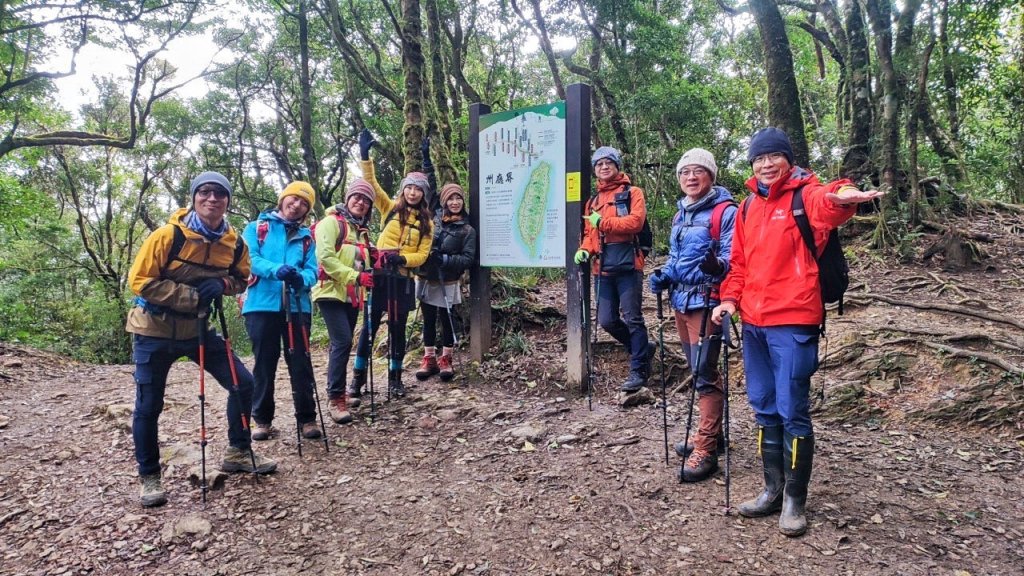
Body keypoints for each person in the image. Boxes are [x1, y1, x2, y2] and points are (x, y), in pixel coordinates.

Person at [712, 127, 883, 536]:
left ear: (789, 159)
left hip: (793, 322)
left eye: (774, 156)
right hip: (753, 322)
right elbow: (738, 264)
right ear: (752, 164)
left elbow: (830, 202)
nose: (767, 164)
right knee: (764, 406)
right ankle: (771, 489)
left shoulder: (805, 195)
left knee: (792, 409)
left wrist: (845, 196)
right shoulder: (749, 207)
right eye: (759, 158)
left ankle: (794, 499)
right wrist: (729, 300)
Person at [126, 171, 277, 508]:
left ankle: (238, 451)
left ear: (227, 201)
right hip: (154, 329)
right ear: (194, 197)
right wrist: (193, 295)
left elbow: (242, 278)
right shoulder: (167, 236)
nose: (212, 199)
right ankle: (149, 476)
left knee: (244, 383)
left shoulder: (235, 243)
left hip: (198, 331)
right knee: (148, 406)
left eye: (219, 194)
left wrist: (223, 286)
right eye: (205, 192)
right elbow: (140, 281)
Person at [649, 148, 736, 482]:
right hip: (681, 301)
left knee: (704, 372)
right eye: (685, 172)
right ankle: (713, 434)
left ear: (711, 176)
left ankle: (707, 449)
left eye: (698, 171)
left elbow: (731, 256)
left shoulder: (724, 212)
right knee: (698, 369)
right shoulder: (680, 213)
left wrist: (718, 267)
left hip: (708, 301)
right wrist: (665, 274)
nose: (691, 177)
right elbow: (675, 256)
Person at [352, 128, 433, 398]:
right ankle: (357, 379)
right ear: (403, 190)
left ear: (423, 194)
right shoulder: (390, 209)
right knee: (370, 327)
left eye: (417, 190)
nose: (412, 193)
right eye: (408, 188)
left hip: (403, 280)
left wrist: (404, 258)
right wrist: (365, 155)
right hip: (379, 276)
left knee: (398, 330)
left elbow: (423, 254)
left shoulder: (427, 223)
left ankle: (395, 379)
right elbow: (372, 185)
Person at [241, 182, 320, 441]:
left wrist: (301, 278)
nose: (296, 205)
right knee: (264, 362)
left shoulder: (307, 237)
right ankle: (262, 420)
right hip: (261, 304)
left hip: (297, 305)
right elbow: (249, 260)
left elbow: (313, 270)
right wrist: (276, 270)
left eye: (303, 203)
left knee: (301, 362)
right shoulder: (256, 228)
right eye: (294, 199)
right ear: (283, 199)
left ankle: (307, 419)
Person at [574, 146, 651, 392]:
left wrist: (603, 222)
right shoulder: (592, 201)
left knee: (633, 317)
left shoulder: (633, 193)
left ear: (617, 166)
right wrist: (586, 249)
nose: (604, 167)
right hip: (603, 268)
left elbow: (635, 223)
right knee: (607, 320)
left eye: (609, 163)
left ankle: (639, 369)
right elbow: (590, 233)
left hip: (629, 265)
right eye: (599, 164)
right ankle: (642, 349)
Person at [312, 178, 377, 422]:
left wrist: (372, 263)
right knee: (343, 340)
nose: (360, 202)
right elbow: (325, 257)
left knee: (342, 343)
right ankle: (335, 398)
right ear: (347, 198)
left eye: (366, 200)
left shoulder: (360, 230)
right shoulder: (330, 223)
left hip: (352, 294)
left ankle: (337, 391)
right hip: (330, 291)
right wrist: (355, 276)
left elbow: (361, 260)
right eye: (357, 197)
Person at [414, 161, 477, 382]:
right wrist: (426, 160)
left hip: (448, 279)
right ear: (444, 201)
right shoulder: (434, 217)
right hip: (426, 276)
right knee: (428, 318)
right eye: (450, 198)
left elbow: (468, 259)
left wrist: (446, 259)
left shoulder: (468, 229)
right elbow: (430, 187)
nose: (455, 202)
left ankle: (446, 359)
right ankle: (429, 357)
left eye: (458, 198)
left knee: (447, 318)